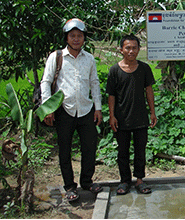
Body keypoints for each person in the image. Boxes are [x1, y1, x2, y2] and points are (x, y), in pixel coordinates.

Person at [41, 18, 103, 202]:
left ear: (84, 38)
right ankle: (69, 186)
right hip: (63, 110)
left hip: (86, 109)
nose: (76, 39)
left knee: (89, 148)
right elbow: (46, 81)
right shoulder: (56, 56)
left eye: (80, 36)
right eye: (72, 36)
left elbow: (94, 83)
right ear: (66, 38)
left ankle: (87, 181)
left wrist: (98, 108)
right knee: (65, 149)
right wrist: (48, 108)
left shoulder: (89, 58)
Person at [106, 34, 157, 195]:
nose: (131, 51)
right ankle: (125, 180)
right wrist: (112, 116)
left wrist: (153, 112)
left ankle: (140, 180)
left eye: (134, 48)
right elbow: (111, 95)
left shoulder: (144, 68)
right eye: (127, 47)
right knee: (123, 151)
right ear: (121, 50)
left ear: (139, 49)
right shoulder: (115, 70)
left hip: (141, 117)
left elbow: (149, 91)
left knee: (140, 150)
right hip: (121, 119)